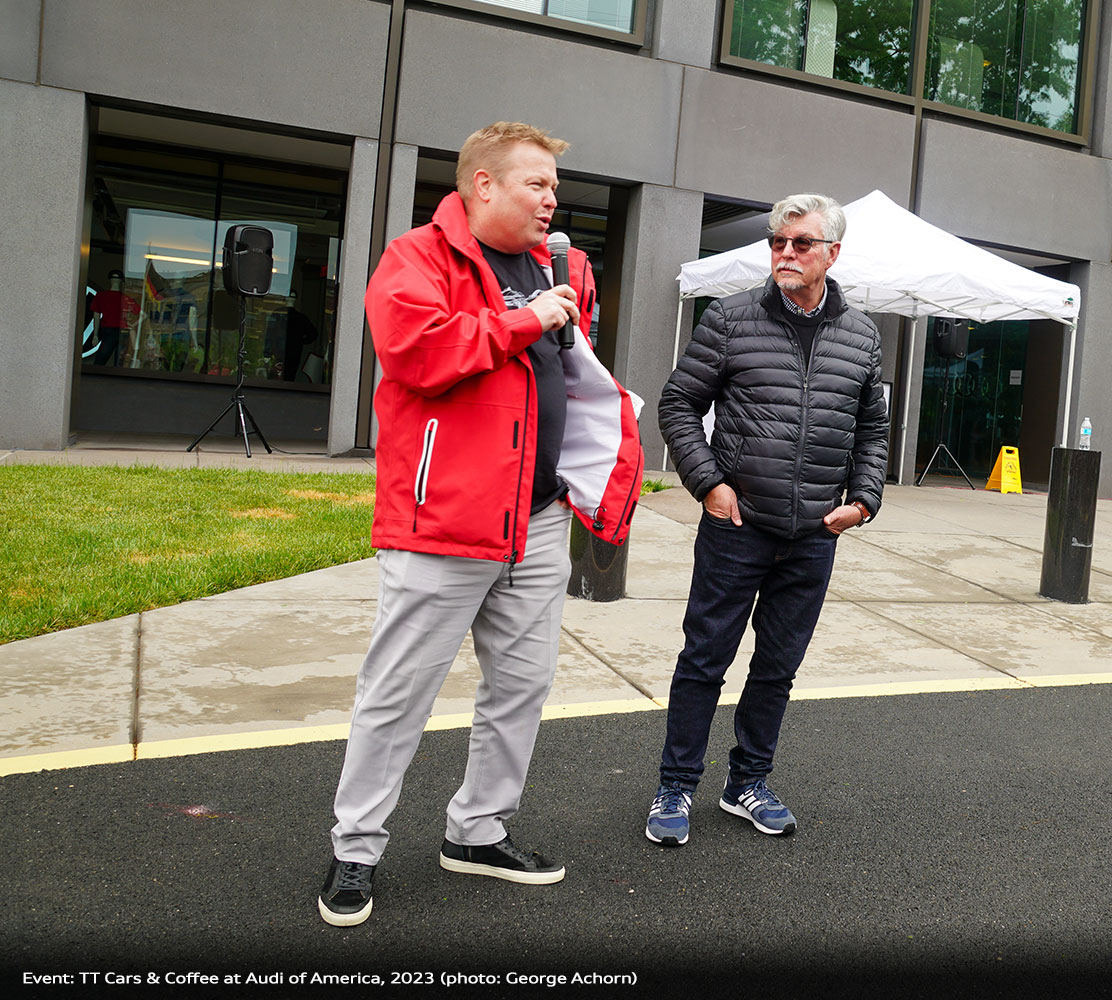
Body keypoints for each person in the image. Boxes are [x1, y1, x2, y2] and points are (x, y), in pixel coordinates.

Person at [317, 122, 643, 927]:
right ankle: (355, 849)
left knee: (521, 687)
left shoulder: (565, 267)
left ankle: (478, 831)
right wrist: (526, 320)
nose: (552, 200)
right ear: (484, 185)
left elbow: (567, 372)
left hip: (537, 521)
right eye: (537, 184)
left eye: (556, 188)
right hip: (443, 523)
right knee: (398, 695)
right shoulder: (418, 258)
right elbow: (417, 352)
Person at [645, 192, 889, 847]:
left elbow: (873, 429)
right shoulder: (730, 318)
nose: (785, 252)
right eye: (778, 241)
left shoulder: (862, 335)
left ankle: (747, 782)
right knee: (705, 660)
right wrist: (710, 485)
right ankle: (676, 785)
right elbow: (678, 404)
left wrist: (863, 500)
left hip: (814, 534)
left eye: (801, 243)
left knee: (777, 667)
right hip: (737, 526)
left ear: (832, 253)